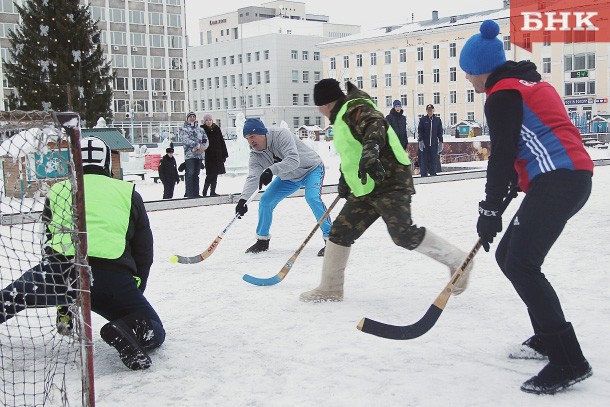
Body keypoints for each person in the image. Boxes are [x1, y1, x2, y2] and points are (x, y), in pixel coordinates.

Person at [460, 19, 594, 395]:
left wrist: (488, 210)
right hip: (565, 178)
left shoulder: (501, 94)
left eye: (468, 74)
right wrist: (499, 202)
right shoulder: (530, 83)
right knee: (509, 255)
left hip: (559, 179)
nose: (469, 80)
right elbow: (525, 147)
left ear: (479, 70)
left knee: (521, 262)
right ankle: (547, 337)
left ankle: (569, 360)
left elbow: (501, 156)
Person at [300, 78, 473, 302]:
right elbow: (352, 152)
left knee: (402, 233)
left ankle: (458, 260)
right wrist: (345, 178)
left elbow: (375, 124)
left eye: (318, 105)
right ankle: (330, 288)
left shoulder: (355, 107)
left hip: (389, 179)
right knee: (340, 232)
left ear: (324, 103)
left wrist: (372, 150)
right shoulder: (343, 116)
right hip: (366, 185)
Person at [0, 136, 165, 370]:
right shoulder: (128, 192)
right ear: (107, 163)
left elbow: (49, 241)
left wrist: (64, 304)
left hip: (60, 273)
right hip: (111, 279)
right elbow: (144, 251)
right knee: (154, 328)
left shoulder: (58, 189)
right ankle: (126, 329)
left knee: (10, 297)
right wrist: (135, 289)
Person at [235, 118, 331, 256]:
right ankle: (262, 240)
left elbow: (293, 160)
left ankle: (331, 239)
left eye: (252, 136)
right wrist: (243, 200)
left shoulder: (281, 135)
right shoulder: (255, 156)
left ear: (262, 133)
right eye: (247, 138)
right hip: (288, 178)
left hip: (311, 169)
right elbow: (253, 178)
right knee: (266, 201)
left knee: (312, 198)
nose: (250, 141)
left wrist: (271, 170)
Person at [180, 112, 208, 198]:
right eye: (190, 117)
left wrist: (203, 147)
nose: (192, 118)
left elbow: (205, 139)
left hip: (199, 155)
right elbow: (186, 140)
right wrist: (197, 145)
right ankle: (189, 193)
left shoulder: (200, 129)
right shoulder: (183, 129)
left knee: (196, 174)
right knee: (190, 173)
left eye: (193, 117)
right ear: (187, 118)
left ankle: (196, 193)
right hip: (190, 155)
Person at [201, 113, 229, 196]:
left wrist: (224, 154)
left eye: (210, 120)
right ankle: (204, 191)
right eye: (207, 120)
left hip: (218, 155)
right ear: (204, 121)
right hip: (209, 156)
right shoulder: (203, 130)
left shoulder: (216, 128)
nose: (208, 122)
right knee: (210, 174)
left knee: (215, 174)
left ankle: (212, 191)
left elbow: (221, 141)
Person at [417, 104, 443, 176]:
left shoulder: (437, 120)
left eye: (431, 110)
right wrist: (421, 141)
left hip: (434, 145)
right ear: (426, 111)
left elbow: (440, 132)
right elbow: (420, 131)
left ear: (433, 110)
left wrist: (441, 142)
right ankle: (424, 175)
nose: (430, 112)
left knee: (434, 160)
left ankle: (433, 174)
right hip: (425, 145)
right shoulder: (423, 120)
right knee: (424, 161)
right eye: (428, 110)